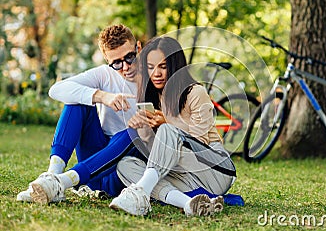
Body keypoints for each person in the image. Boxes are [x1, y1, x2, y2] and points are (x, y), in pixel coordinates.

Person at [108, 36, 237, 216]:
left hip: (214, 171)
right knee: (126, 165)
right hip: (184, 176)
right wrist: (143, 125)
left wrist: (167, 123)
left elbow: (201, 140)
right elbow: (157, 154)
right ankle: (188, 203)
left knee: (167, 130)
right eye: (151, 67)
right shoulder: (154, 97)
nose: (156, 74)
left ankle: (140, 192)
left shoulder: (195, 92)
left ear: (175, 66)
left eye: (162, 66)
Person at [17, 24, 143, 202]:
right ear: (108, 62)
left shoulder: (155, 75)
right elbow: (56, 90)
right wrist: (101, 96)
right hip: (93, 169)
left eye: (130, 57)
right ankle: (52, 178)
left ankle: (63, 182)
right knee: (77, 101)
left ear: (138, 47)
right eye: (117, 63)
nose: (126, 67)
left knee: (135, 132)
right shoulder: (104, 75)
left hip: (122, 171)